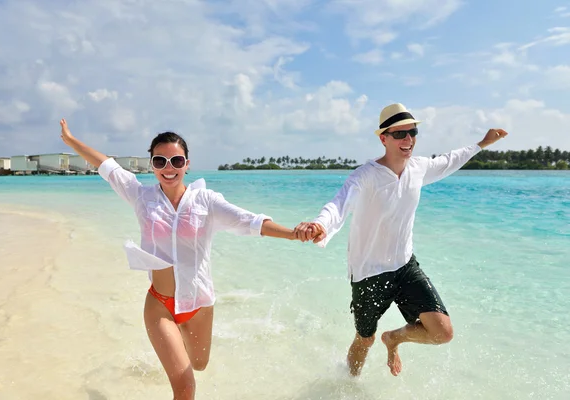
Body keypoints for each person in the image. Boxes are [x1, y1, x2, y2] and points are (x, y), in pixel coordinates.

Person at [58, 118, 301, 400]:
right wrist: (71, 141)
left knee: (199, 364)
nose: (168, 168)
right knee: (185, 388)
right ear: (151, 165)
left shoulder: (206, 201)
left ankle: (177, 352)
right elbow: (107, 167)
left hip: (199, 304)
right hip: (160, 304)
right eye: (160, 161)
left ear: (187, 164)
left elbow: (250, 222)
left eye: (176, 160)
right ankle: (172, 350)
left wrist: (293, 234)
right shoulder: (141, 197)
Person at [294, 103, 508, 377]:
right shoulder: (366, 175)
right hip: (368, 274)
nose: (408, 140)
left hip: (405, 266)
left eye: (412, 132)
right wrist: (319, 225)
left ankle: (394, 338)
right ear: (383, 138)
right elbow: (338, 204)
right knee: (365, 339)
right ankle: (347, 386)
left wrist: (482, 143)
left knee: (442, 333)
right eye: (399, 134)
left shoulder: (418, 168)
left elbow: (450, 160)